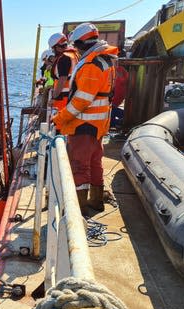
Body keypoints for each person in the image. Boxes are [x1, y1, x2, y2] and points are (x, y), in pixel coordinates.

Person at [51, 22, 118, 215]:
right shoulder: (105, 60)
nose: (75, 50)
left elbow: (82, 100)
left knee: (80, 166)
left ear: (82, 43)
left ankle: (78, 211)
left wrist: (60, 118)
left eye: (77, 46)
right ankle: (96, 202)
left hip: (84, 124)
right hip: (98, 123)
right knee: (95, 163)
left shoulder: (91, 64)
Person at [48, 32, 80, 113]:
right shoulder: (74, 55)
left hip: (63, 100)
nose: (53, 51)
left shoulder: (64, 58)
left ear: (57, 47)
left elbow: (62, 80)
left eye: (53, 49)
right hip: (72, 96)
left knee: (60, 123)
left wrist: (53, 98)